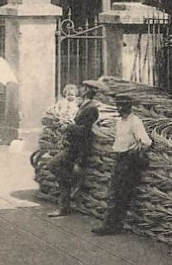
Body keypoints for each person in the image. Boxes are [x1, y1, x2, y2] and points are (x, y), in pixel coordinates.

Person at [95, 93, 152, 236]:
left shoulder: (135, 122)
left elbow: (145, 141)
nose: (119, 109)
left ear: (128, 107)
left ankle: (113, 225)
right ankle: (110, 224)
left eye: (121, 106)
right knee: (114, 192)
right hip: (119, 158)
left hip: (128, 161)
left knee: (120, 194)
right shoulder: (119, 122)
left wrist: (134, 150)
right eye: (118, 106)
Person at [48, 81, 101, 219]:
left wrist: (70, 127)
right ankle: (65, 203)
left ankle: (70, 185)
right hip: (72, 145)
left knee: (53, 164)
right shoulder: (84, 105)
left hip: (78, 149)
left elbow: (86, 132)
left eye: (84, 88)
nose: (81, 90)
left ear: (88, 91)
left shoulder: (91, 108)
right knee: (59, 169)